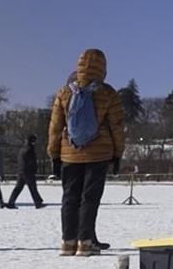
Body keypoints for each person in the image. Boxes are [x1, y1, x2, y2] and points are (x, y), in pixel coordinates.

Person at [48, 49, 125, 256]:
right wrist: (118, 153)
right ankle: (86, 242)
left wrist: (54, 154)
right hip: (98, 154)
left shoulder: (64, 92)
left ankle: (68, 241)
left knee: (69, 197)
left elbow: (55, 128)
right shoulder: (107, 93)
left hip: (68, 154)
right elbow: (116, 126)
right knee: (89, 198)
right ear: (103, 69)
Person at [8, 134, 45, 209]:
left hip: (21, 171)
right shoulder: (30, 149)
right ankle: (38, 203)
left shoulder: (23, 149)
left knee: (18, 188)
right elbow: (32, 161)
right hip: (28, 171)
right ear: (32, 141)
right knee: (32, 187)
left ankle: (11, 202)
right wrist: (34, 169)